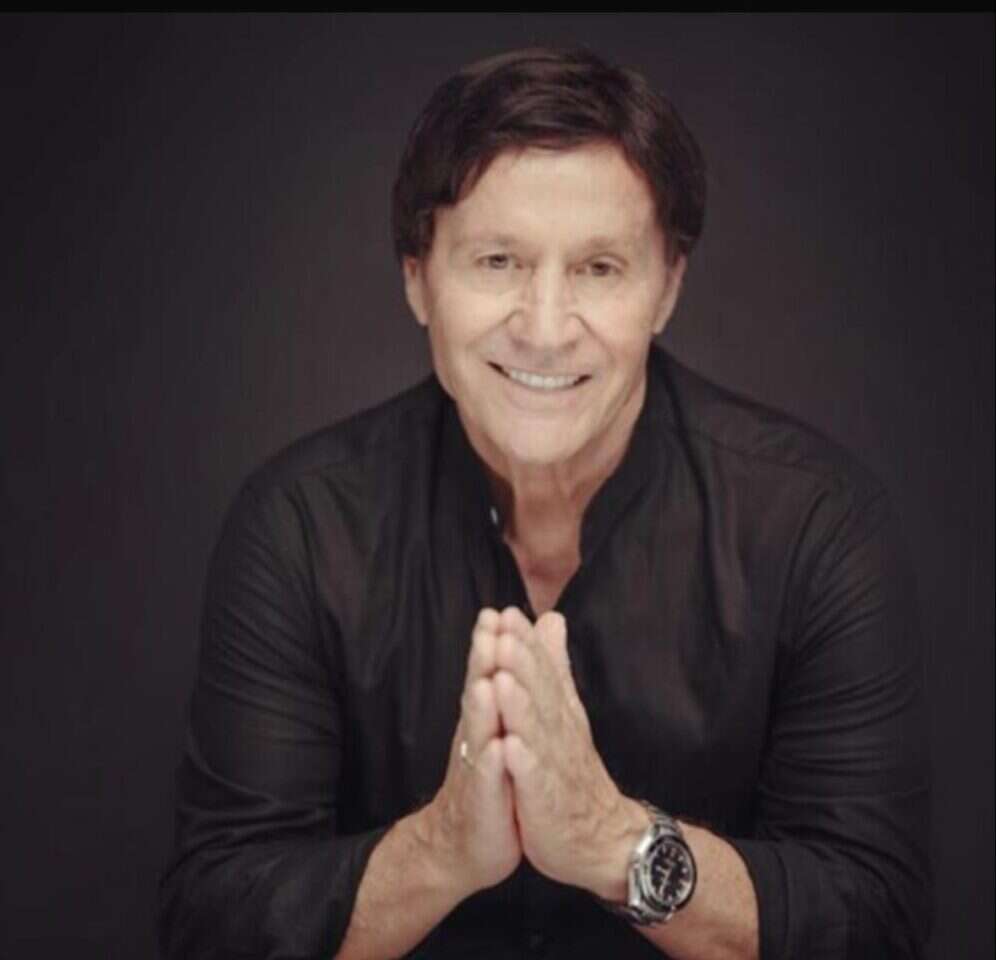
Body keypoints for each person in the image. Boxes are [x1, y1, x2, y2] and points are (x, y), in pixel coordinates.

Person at [159, 47, 932, 959]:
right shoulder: (298, 527)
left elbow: (875, 924)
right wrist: (444, 848)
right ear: (417, 276)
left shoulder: (816, 528)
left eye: (600, 268)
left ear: (668, 288)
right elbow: (213, 926)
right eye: (498, 260)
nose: (546, 326)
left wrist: (613, 842)